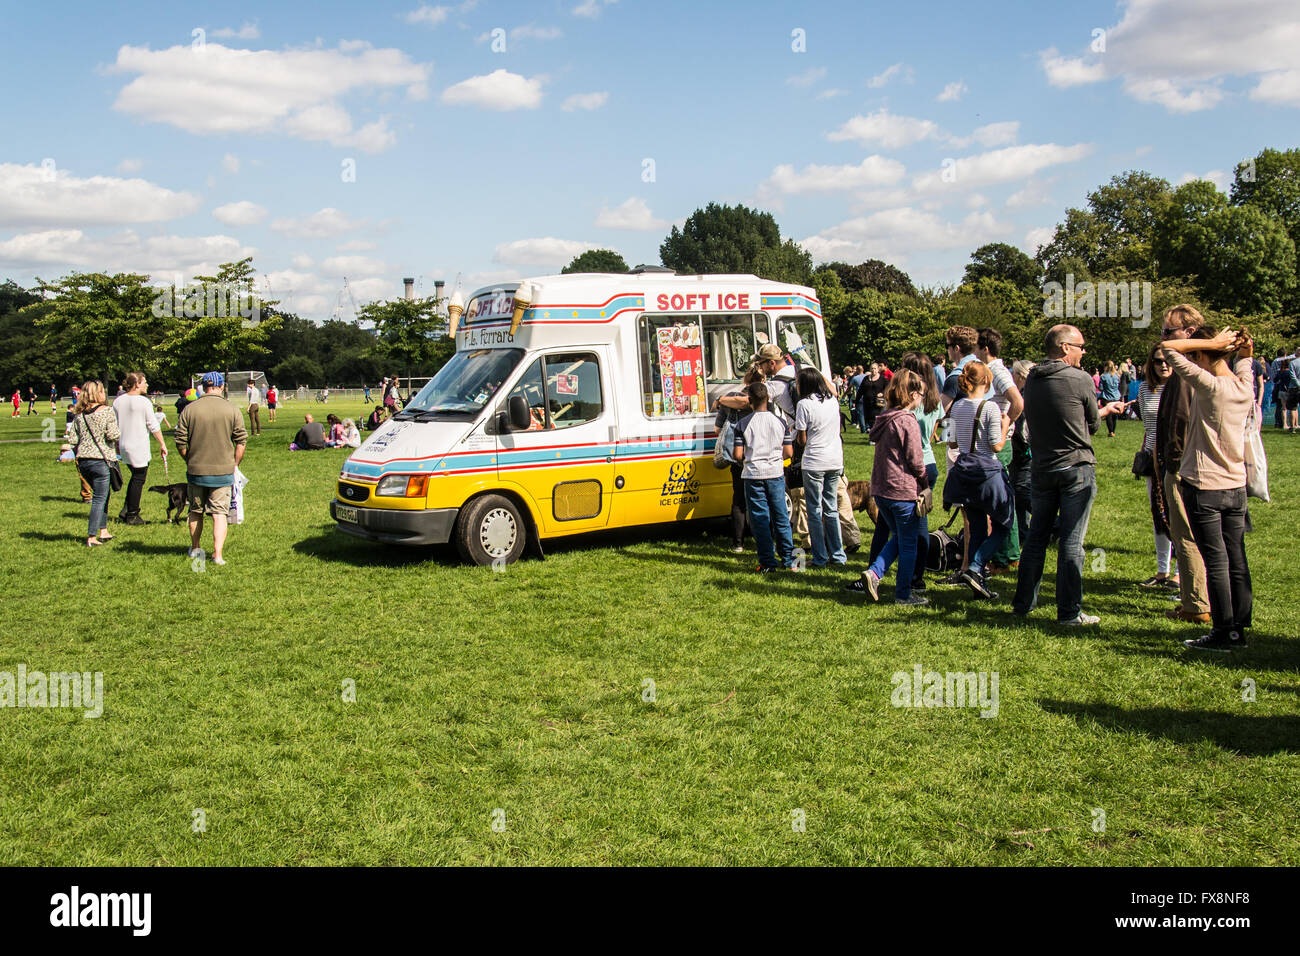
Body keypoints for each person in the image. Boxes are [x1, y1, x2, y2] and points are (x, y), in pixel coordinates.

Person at [1011, 325, 1128, 626]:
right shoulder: (1080, 379)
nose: (1083, 351)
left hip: (1042, 468)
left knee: (1035, 539)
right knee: (1072, 543)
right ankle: (1069, 612)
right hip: (1076, 467)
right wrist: (1101, 412)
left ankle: (1023, 604)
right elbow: (1092, 424)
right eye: (1080, 346)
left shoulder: (1033, 380)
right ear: (1065, 348)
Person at [1161, 327, 1255, 651]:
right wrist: (1237, 348)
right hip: (1236, 484)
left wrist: (1211, 344)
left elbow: (1168, 347)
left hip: (1205, 485)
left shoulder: (1209, 386)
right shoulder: (1244, 385)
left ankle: (1222, 631)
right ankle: (1239, 629)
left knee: (1215, 560)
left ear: (1202, 355)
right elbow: (1245, 359)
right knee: (1237, 558)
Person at [1154, 306, 1213, 626]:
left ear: (1188, 333)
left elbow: (1177, 421)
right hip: (1209, 465)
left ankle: (1195, 604)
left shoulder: (1186, 374)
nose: (1162, 339)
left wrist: (1170, 466)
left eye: (1168, 332)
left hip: (1184, 467)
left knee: (1186, 535)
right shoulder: (1210, 368)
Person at [857, 370, 930, 606]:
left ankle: (875, 573)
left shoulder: (885, 418)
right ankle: (903, 594)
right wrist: (925, 484)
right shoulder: (907, 421)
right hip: (902, 489)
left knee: (899, 537)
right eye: (920, 394)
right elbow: (916, 460)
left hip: (881, 490)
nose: (922, 398)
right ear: (911, 395)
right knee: (909, 544)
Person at [942, 361, 1012, 599]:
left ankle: (976, 575)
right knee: (1004, 523)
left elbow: (951, 442)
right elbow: (996, 445)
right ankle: (975, 567)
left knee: (977, 526)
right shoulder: (990, 408)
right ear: (986, 381)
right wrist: (1005, 426)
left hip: (964, 471)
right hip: (987, 472)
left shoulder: (958, 406)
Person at [173, 372, 247, 566]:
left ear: (202, 387)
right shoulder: (232, 409)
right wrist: (235, 464)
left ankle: (196, 549)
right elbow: (241, 441)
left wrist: (188, 459)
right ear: (221, 387)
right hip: (223, 471)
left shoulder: (189, 410)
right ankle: (217, 554)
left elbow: (180, 441)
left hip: (196, 469)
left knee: (195, 511)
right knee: (219, 513)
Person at [732, 381, 798, 573]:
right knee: (781, 517)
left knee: (760, 519)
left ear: (749, 401)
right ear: (768, 399)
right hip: (775, 473)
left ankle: (768, 562)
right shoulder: (781, 422)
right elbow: (788, 451)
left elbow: (737, 454)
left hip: (753, 475)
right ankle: (791, 560)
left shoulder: (742, 424)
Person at [977, 328, 1025, 574]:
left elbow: (1017, 401)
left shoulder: (997, 371)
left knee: (1001, 500)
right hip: (993, 443)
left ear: (985, 348)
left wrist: (1007, 425)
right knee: (999, 499)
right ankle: (1005, 555)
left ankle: (1007, 557)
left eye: (976, 347)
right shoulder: (991, 370)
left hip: (1000, 445)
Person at [795, 366, 846, 568]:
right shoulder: (833, 401)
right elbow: (832, 387)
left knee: (814, 510)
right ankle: (838, 554)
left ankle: (820, 556)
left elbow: (801, 438)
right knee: (831, 508)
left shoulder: (804, 405)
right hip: (834, 459)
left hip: (814, 460)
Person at [1137, 345, 1177, 591]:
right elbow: (1146, 423)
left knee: (1178, 516)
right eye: (1158, 361)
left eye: (1168, 361)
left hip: (1175, 457)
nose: (1163, 365)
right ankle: (1162, 570)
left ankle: (1181, 572)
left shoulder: (1183, 387)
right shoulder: (1144, 389)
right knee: (1158, 513)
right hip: (1152, 456)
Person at [713, 365, 763, 554]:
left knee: (738, 499)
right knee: (760, 498)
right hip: (757, 454)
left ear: (745, 380)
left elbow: (718, 430)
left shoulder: (730, 398)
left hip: (736, 455)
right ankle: (763, 539)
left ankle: (738, 542)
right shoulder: (762, 399)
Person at [68, 380, 121, 547]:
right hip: (101, 459)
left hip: (83, 461)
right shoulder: (107, 411)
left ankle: (103, 530)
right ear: (98, 393)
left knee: (102, 495)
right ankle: (92, 536)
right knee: (99, 498)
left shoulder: (79, 414)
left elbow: (73, 439)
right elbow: (113, 435)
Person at [112, 371, 168, 526]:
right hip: (138, 445)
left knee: (135, 477)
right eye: (144, 382)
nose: (147, 384)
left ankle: (126, 510)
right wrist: (162, 444)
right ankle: (132, 514)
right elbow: (153, 425)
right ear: (137, 384)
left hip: (123, 444)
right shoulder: (143, 402)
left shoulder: (118, 401)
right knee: (139, 478)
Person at [1008, 360, 1035, 559]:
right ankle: (1024, 533)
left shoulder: (1025, 396)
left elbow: (1023, 428)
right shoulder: (1030, 393)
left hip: (1026, 451)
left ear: (1019, 376)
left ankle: (1054, 523)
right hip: (1021, 451)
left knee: (1022, 491)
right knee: (1017, 493)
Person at [855, 363, 887, 435]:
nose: (873, 370)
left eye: (875, 368)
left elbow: (888, 388)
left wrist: (882, 393)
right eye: (872, 368)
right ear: (870, 369)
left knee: (877, 419)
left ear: (878, 369)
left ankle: (877, 435)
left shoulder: (882, 379)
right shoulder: (866, 379)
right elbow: (861, 390)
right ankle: (873, 435)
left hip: (878, 403)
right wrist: (856, 401)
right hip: (867, 403)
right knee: (869, 419)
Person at [1099, 361, 1122, 437]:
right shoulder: (1117, 376)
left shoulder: (1103, 376)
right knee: (1114, 415)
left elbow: (1101, 388)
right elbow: (1119, 386)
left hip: (1107, 397)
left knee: (1108, 414)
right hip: (1116, 397)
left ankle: (1110, 431)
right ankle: (1113, 431)